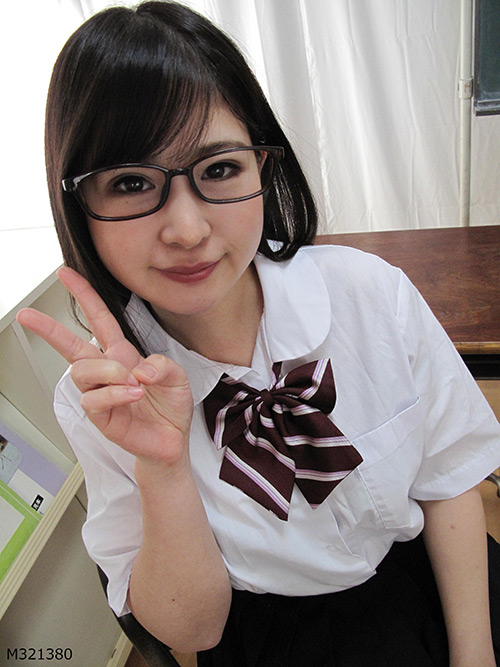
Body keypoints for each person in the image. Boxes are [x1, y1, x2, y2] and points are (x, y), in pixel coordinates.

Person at [16, 2, 500, 665]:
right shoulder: (100, 400)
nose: (187, 230)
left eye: (219, 169)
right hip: (268, 634)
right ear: (80, 206)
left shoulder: (369, 294)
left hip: (432, 581)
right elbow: (191, 634)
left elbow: (449, 481)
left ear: (263, 168)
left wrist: (474, 657)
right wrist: (163, 470)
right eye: (131, 183)